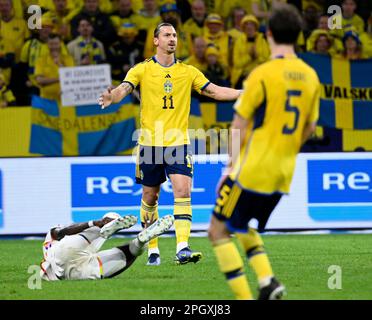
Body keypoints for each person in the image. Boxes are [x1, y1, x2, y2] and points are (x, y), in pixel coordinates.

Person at [98, 22, 242, 266]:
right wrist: (113, 97)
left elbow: (215, 91)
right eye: (166, 35)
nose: (172, 39)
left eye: (174, 35)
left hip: (178, 143)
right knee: (150, 196)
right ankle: (152, 248)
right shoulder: (141, 69)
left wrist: (244, 93)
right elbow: (124, 88)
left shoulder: (188, 72)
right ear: (156, 40)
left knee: (183, 191)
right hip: (149, 144)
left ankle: (182, 247)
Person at [208, 3, 320, 300]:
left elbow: (239, 126)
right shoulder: (311, 76)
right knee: (241, 224)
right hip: (283, 173)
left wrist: (229, 170)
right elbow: (310, 127)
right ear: (298, 35)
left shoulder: (261, 74)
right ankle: (268, 281)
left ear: (267, 33)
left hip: (251, 170)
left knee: (217, 232)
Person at [40, 213, 174, 281]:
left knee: (125, 255)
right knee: (129, 254)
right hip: (71, 262)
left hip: (70, 273)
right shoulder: (54, 233)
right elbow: (61, 232)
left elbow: (62, 232)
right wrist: (94, 223)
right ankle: (139, 241)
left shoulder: (51, 239)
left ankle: (140, 240)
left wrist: (93, 224)